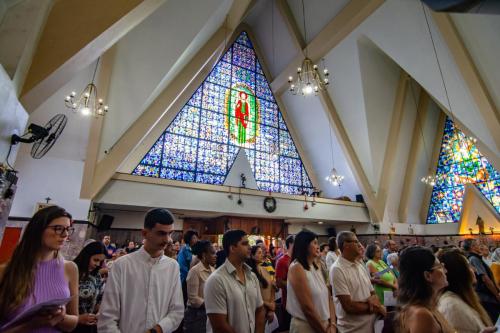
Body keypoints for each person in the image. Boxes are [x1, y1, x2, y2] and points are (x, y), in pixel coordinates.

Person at [98, 208, 183, 333]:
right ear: (144, 233)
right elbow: (107, 318)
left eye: (170, 233)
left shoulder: (172, 266)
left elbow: (177, 311)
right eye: (161, 233)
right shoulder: (122, 265)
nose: (167, 239)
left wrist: (156, 330)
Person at [0, 205, 79, 332]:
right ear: (38, 230)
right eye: (58, 228)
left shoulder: (70, 268)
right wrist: (31, 325)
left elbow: (74, 322)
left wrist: (60, 317)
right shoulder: (6, 271)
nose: (65, 234)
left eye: (68, 229)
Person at [204, 230, 265, 333]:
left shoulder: (252, 276)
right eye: (245, 244)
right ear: (232, 248)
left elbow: (259, 310)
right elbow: (220, 326)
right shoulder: (216, 280)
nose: (250, 247)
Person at [330, 231, 385, 333]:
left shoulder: (359, 264)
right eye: (356, 242)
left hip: (371, 326)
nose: (360, 245)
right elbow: (348, 306)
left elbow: (372, 293)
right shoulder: (337, 269)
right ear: (346, 245)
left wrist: (374, 302)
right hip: (353, 329)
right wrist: (376, 308)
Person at [397, 246, 455, 333]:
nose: (445, 271)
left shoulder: (428, 305)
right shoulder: (421, 315)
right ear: (428, 276)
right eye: (439, 266)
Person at [287, 230, 336, 333]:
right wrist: (323, 330)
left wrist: (333, 324)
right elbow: (307, 308)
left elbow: (329, 298)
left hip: (325, 324)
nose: (318, 247)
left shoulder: (316, 266)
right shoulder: (297, 267)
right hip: (306, 326)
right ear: (305, 245)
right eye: (314, 243)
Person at [437, 249, 495, 333]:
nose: (474, 270)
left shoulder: (460, 299)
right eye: (468, 266)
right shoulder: (452, 306)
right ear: (459, 272)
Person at [72, 241, 107, 333]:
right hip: (70, 325)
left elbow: (99, 299)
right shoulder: (72, 271)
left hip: (89, 326)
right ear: (86, 256)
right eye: (95, 260)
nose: (98, 264)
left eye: (101, 261)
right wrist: (78, 318)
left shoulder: (96, 275)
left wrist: (99, 313)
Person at [463, 238, 500, 322]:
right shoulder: (474, 259)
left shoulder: (475, 257)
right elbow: (485, 278)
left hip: (485, 294)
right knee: (494, 318)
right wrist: (497, 294)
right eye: (477, 244)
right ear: (473, 247)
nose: (480, 246)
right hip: (485, 295)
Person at [184, 240, 216, 333]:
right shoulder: (195, 271)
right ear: (204, 255)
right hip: (196, 314)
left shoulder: (213, 270)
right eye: (213, 253)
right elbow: (193, 298)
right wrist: (211, 305)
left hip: (209, 312)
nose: (215, 255)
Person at [248, 245, 276, 329]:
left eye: (262, 252)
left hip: (268, 308)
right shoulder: (249, 273)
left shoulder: (264, 269)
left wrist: (271, 308)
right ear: (252, 256)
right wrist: (268, 304)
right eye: (259, 253)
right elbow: (252, 295)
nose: (262, 255)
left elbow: (272, 288)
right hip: (258, 309)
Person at [276, 235, 294, 331]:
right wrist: (295, 286)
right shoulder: (282, 261)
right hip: (288, 303)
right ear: (291, 244)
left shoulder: (298, 260)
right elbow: (278, 283)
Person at [178, 230, 199, 304]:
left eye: (196, 238)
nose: (196, 240)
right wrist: (191, 274)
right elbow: (182, 266)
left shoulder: (197, 250)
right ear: (189, 239)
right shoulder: (183, 250)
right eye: (194, 238)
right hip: (185, 279)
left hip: (196, 277)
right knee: (185, 299)